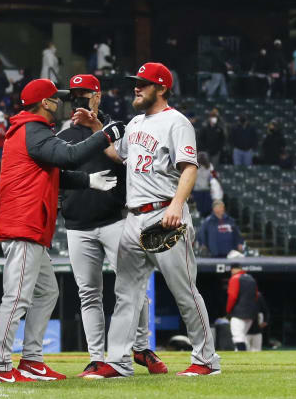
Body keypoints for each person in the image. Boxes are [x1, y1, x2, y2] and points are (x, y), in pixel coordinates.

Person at [80, 62, 221, 378]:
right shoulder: (135, 123)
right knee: (126, 293)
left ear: (162, 88)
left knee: (184, 291)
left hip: (165, 215)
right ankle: (118, 361)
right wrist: (95, 129)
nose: (136, 87)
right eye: (136, 82)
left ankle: (207, 360)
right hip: (133, 216)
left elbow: (189, 168)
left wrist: (176, 205)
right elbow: (121, 156)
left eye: (143, 83)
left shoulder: (177, 122)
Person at [0, 78, 122, 383]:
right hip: (22, 225)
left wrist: (88, 181)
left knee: (47, 292)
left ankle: (32, 360)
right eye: (54, 99)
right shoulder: (31, 129)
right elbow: (69, 156)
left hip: (30, 226)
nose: (59, 102)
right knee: (17, 297)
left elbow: (55, 173)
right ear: (44, 103)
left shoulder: (31, 130)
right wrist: (105, 135)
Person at [58, 74, 167, 377]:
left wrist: (99, 128)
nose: (78, 101)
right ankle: (97, 358)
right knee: (89, 293)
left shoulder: (120, 130)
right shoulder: (61, 136)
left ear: (98, 96)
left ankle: (141, 347)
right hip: (77, 225)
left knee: (133, 288)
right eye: (74, 96)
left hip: (114, 220)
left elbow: (133, 163)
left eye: (84, 95)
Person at [226, 264, 258, 351]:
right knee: (242, 336)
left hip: (238, 313)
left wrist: (228, 310)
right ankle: (241, 353)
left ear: (233, 270)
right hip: (251, 313)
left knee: (237, 336)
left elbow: (232, 296)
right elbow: (256, 296)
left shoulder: (235, 278)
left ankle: (242, 354)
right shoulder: (251, 279)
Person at [192, 152, 214, 218]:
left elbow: (212, 178)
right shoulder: (194, 167)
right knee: (199, 210)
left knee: (207, 210)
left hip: (206, 191)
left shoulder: (210, 166)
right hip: (197, 191)